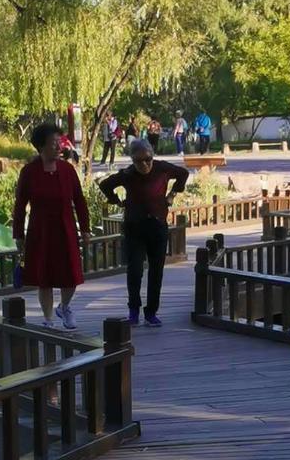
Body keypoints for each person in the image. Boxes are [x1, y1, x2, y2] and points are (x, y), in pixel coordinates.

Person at [99, 139, 189, 327]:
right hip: (134, 227)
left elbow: (183, 173)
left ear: (152, 156)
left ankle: (151, 312)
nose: (144, 164)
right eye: (139, 161)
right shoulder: (128, 174)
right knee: (135, 270)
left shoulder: (162, 168)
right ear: (132, 160)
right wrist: (116, 200)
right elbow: (105, 185)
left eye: (148, 159)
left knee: (156, 271)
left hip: (157, 226)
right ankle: (133, 310)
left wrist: (172, 194)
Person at [12, 120, 90, 331]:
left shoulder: (67, 170)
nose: (58, 146)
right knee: (44, 277)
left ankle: (64, 306)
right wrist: (18, 234)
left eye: (59, 142)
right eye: (53, 142)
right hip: (41, 230)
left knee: (70, 275)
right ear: (41, 146)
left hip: (65, 227)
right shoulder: (29, 172)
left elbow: (79, 200)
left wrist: (85, 228)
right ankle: (48, 318)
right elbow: (20, 205)